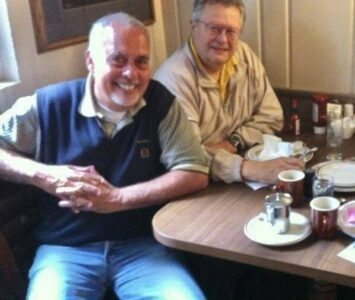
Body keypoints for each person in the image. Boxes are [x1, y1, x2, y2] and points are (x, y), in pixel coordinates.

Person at [0, 13, 210, 299]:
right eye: (118, 60)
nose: (131, 74)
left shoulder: (161, 104)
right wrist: (45, 175)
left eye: (141, 62)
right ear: (90, 61)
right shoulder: (49, 105)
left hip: (144, 247)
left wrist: (117, 199)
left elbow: (194, 172)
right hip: (65, 250)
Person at [154, 0, 304, 184]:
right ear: (194, 27)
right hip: (189, 189)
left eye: (231, 31)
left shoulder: (243, 55)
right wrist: (245, 168)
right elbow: (188, 160)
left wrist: (233, 142)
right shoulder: (173, 79)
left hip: (229, 177)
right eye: (214, 28)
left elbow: (272, 116)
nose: (223, 39)